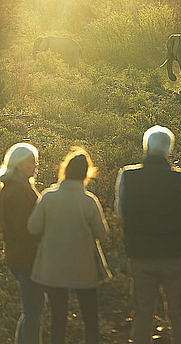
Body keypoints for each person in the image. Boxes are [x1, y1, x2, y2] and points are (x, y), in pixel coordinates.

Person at [115, 125, 181, 344]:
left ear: (146, 147)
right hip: (176, 255)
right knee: (179, 315)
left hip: (141, 255)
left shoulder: (127, 176)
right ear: (168, 150)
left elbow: (121, 212)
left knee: (142, 315)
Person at [27, 147, 109, 344]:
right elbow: (102, 234)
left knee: (58, 319)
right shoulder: (89, 201)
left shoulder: (48, 197)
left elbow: (33, 228)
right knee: (90, 319)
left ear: (64, 170)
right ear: (86, 173)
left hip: (53, 268)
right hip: (84, 269)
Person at [0, 142, 44, 344]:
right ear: (19, 164)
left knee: (32, 310)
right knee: (33, 311)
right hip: (26, 256)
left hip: (21, 255)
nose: (36, 166)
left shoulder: (15, 186)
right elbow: (25, 227)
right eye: (32, 162)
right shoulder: (18, 190)